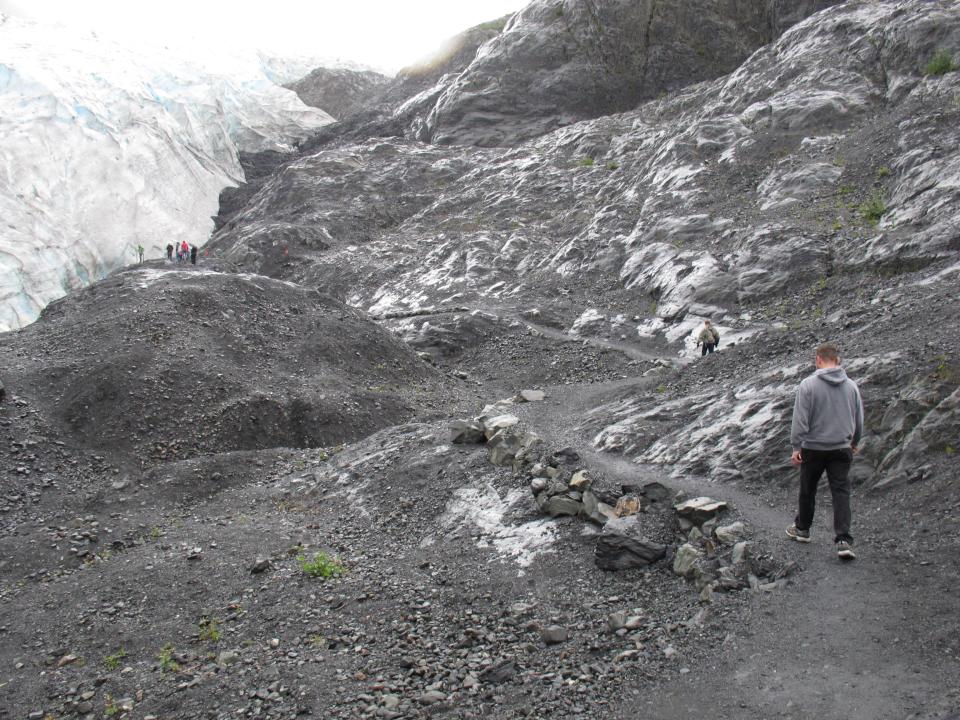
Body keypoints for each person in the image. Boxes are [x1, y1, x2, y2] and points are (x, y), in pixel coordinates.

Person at [786, 343, 864, 560]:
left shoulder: (808, 385)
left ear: (818, 359)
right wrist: (855, 440)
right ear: (837, 360)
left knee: (808, 488)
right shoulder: (851, 386)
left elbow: (800, 418)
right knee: (841, 492)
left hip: (814, 447)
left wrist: (796, 446)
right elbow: (858, 418)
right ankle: (843, 539)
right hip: (841, 447)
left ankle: (802, 528)